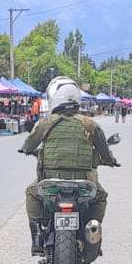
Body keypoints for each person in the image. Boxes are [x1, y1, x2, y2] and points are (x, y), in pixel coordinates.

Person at [21, 76, 121, 254]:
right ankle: (92, 232)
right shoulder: (89, 124)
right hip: (83, 182)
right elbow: (104, 151)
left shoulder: (45, 123)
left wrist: (26, 150)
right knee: (100, 197)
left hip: (51, 182)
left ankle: (36, 235)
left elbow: (29, 145)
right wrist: (110, 160)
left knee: (32, 193)